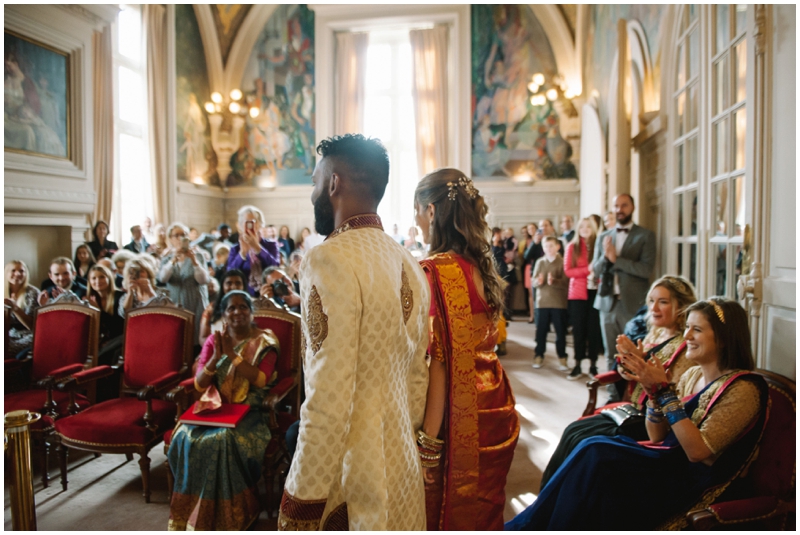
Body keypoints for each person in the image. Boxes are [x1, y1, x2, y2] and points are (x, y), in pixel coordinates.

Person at [507, 298, 767, 530]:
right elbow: (656, 435)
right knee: (591, 445)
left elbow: (697, 453)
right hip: (669, 461)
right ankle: (537, 524)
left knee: (597, 454)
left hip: (693, 480)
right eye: (687, 327)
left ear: (723, 338)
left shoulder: (743, 389)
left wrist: (664, 392)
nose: (686, 335)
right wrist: (653, 391)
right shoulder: (693, 375)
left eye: (696, 329)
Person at [279, 134, 430, 531]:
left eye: (315, 182)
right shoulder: (410, 263)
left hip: (353, 478)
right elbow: (417, 380)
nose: (313, 192)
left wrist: (303, 496)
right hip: (402, 468)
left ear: (333, 184)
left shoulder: (329, 259)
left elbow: (327, 394)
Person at [414, 169, 519, 530]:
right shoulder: (481, 265)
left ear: (430, 212)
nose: (417, 224)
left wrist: (428, 443)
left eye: (417, 213)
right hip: (496, 402)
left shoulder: (432, 271)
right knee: (486, 508)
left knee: (447, 508)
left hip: (460, 413)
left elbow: (440, 364)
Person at [539, 275, 697, 488]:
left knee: (582, 439)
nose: (654, 308)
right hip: (633, 408)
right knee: (573, 431)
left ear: (681, 306)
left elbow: (677, 391)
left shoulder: (686, 346)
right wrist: (630, 363)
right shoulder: (656, 333)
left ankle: (557, 495)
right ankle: (549, 495)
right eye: (651, 301)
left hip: (652, 419)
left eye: (663, 302)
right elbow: (630, 377)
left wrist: (643, 366)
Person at [167, 291, 280, 531]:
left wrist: (231, 355)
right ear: (224, 314)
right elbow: (199, 385)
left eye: (243, 307)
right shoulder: (214, 340)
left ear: (251, 312)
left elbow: (261, 380)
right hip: (216, 407)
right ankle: (193, 514)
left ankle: (234, 514)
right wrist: (216, 357)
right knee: (184, 436)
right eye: (231, 308)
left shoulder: (264, 341)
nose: (237, 312)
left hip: (251, 411)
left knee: (222, 440)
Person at [593, 193, 656, 402]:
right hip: (607, 303)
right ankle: (613, 396)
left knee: (634, 353)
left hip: (633, 303)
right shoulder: (604, 237)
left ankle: (636, 397)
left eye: (624, 205)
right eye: (616, 206)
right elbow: (596, 268)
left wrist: (616, 259)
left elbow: (646, 270)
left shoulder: (645, 236)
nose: (620, 209)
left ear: (633, 207)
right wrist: (605, 256)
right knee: (611, 352)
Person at [563, 217, 602, 380]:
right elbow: (568, 271)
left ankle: (593, 365)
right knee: (578, 330)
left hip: (596, 292)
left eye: (588, 226)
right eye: (582, 226)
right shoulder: (572, 246)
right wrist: (587, 269)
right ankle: (577, 364)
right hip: (578, 294)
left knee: (593, 330)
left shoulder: (598, 245)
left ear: (593, 228)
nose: (585, 229)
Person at [158, 223, 210, 343]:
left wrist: (194, 261)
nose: (180, 238)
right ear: (170, 238)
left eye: (184, 235)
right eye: (176, 235)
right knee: (177, 341)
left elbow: (203, 280)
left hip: (195, 303)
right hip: (175, 304)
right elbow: (163, 278)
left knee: (196, 339)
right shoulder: (167, 258)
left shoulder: (198, 256)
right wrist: (173, 260)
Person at [531, 237, 569, 370]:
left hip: (559, 303)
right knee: (540, 331)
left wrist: (554, 281)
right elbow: (534, 281)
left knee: (560, 332)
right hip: (542, 303)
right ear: (543, 248)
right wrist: (538, 282)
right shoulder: (540, 262)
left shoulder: (563, 262)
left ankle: (562, 357)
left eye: (551, 246)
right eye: (546, 246)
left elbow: (566, 283)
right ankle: (539, 355)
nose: (549, 249)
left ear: (558, 247)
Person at [226, 205, 281, 296]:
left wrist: (257, 248)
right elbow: (229, 274)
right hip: (244, 294)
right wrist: (242, 254)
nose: (250, 225)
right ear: (240, 225)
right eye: (246, 222)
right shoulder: (235, 249)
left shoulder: (271, 245)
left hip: (268, 292)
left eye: (253, 221)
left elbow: (275, 267)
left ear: (260, 224)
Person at [198, 269, 246, 346]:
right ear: (222, 286)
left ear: (243, 286)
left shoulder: (251, 307)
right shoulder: (212, 308)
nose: (233, 287)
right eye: (229, 283)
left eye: (238, 283)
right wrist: (218, 348)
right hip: (215, 351)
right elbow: (202, 338)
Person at [4, 260, 40, 357]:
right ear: (6, 273)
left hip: (27, 335)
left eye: (21, 271)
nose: (17, 274)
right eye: (13, 270)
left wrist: (15, 308)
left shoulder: (33, 293)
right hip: (8, 333)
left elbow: (31, 326)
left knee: (6, 349)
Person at [522, 222, 538, 323]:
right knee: (531, 294)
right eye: (529, 229)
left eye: (532, 228)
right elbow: (525, 256)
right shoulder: (527, 242)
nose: (530, 230)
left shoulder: (541, 239)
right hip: (529, 267)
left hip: (538, 267)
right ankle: (532, 315)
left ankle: (539, 316)